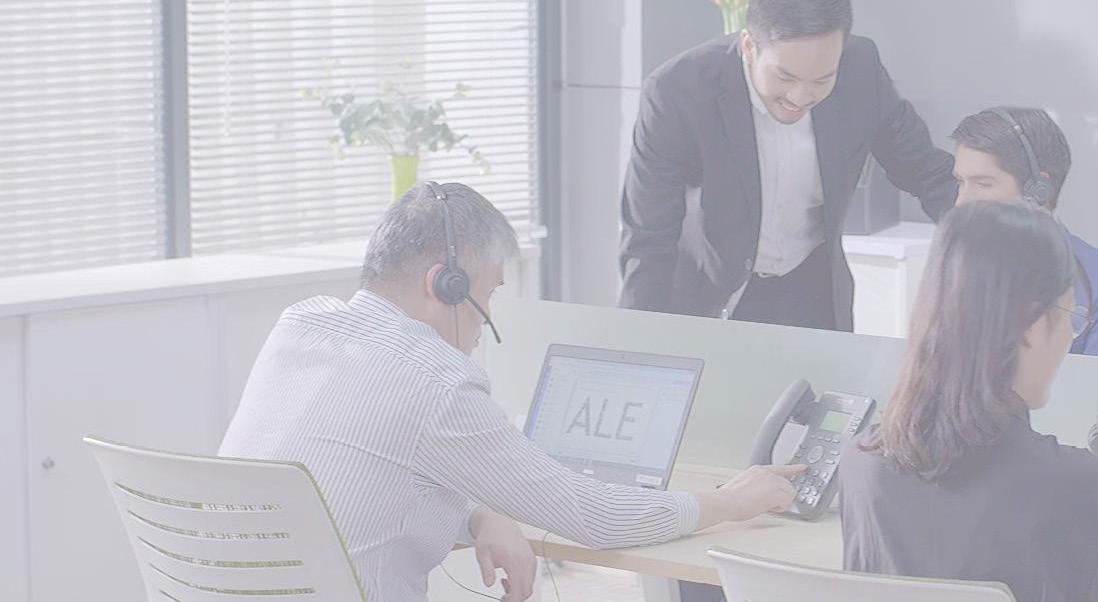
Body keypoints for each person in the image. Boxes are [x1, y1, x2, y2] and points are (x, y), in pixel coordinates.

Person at [219, 182, 801, 602]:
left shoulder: (302, 324)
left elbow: (375, 475)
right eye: (489, 293)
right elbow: (597, 518)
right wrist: (731, 501)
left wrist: (481, 514)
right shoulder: (434, 381)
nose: (484, 321)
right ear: (446, 286)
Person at [619, 0, 957, 332]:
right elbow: (649, 239)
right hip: (711, 298)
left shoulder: (861, 68)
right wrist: (638, 344)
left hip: (813, 294)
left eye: (823, 79)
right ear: (749, 46)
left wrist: (991, 239)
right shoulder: (677, 91)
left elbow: (926, 171)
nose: (801, 96)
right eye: (785, 76)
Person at [839, 201, 1098, 602]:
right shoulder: (1075, 487)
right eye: (1070, 314)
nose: (1069, 334)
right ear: (1031, 326)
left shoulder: (860, 465)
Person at [950, 106, 1097, 355]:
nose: (961, 202)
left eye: (983, 184)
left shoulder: (1091, 282)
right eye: (960, 182)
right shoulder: (959, 270)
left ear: (1038, 190)